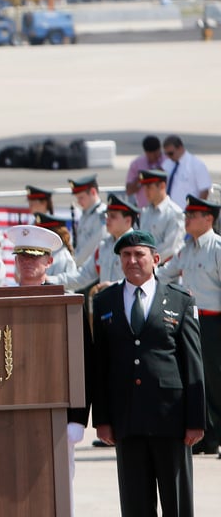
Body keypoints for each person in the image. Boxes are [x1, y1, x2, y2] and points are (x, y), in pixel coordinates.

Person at [93, 230, 204, 517]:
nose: (132, 260)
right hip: (127, 419)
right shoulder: (105, 302)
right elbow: (100, 364)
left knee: (176, 503)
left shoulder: (179, 300)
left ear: (155, 259)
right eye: (126, 255)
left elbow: (193, 363)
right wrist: (102, 420)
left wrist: (195, 420)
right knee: (135, 503)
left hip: (171, 418)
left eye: (139, 254)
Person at [8, 225, 93, 481]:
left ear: (49, 261)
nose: (27, 262)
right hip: (12, 410)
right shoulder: (1, 303)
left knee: (59, 485)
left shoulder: (68, 305)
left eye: (34, 256)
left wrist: (78, 418)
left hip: (57, 412)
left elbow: (84, 364)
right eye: (22, 256)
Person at [158, 195, 221, 457]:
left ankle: (217, 435)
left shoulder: (216, 248)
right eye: (186, 215)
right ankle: (206, 434)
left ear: (209, 219)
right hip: (191, 321)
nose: (187, 220)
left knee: (215, 380)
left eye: (192, 215)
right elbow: (165, 273)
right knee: (197, 378)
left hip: (213, 321)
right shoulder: (188, 249)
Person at [138, 168, 186, 261]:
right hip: (146, 267)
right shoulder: (145, 212)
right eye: (144, 187)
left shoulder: (174, 213)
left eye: (149, 187)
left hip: (166, 270)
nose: (146, 192)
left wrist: (146, 260)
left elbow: (170, 248)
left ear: (162, 186)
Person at [69, 175, 107, 290]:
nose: (79, 202)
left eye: (81, 198)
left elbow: (91, 247)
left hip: (92, 275)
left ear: (93, 192)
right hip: (82, 272)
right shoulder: (86, 214)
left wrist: (74, 263)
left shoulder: (101, 215)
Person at [164, 135, 213, 208]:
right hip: (169, 211)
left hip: (187, 211)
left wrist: (196, 209)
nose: (169, 157)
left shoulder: (196, 165)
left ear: (180, 148)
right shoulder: (167, 164)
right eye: (166, 154)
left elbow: (204, 190)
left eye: (171, 153)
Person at [126, 135, 172, 208]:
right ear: (146, 152)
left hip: (166, 209)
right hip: (144, 209)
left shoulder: (169, 161)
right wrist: (142, 179)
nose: (156, 156)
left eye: (158, 152)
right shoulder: (137, 164)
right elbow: (129, 191)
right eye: (153, 154)